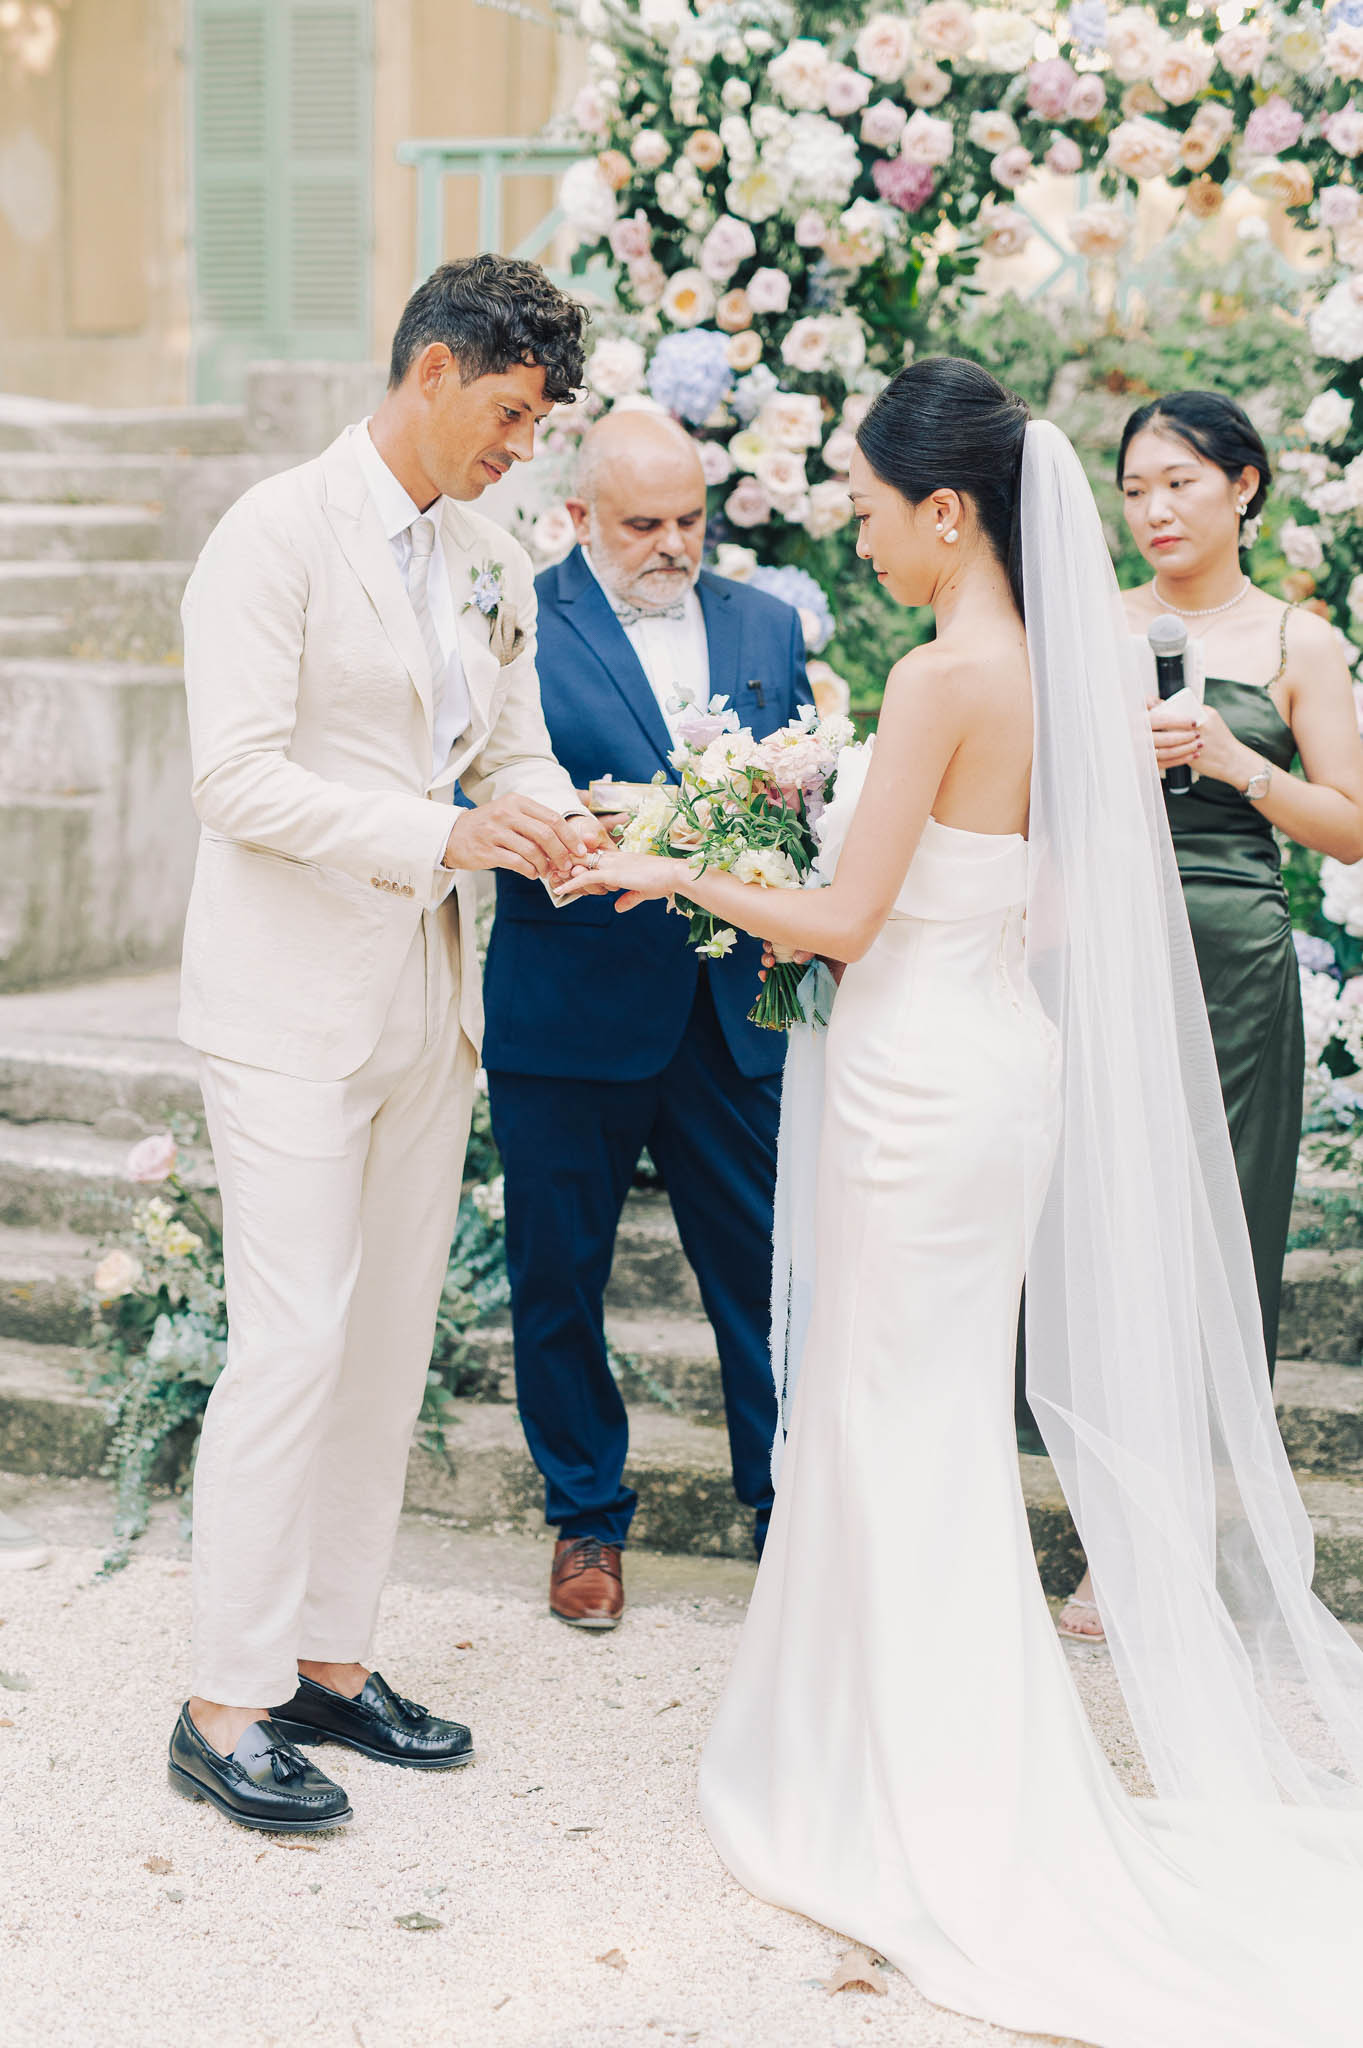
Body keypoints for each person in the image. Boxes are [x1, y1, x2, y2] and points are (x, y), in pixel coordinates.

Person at [562, 359, 1363, 2047]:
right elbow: (1057, 896)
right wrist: (909, 899)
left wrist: (668, 859)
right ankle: (897, 1736)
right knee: (905, 1413)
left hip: (915, 1078)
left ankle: (897, 1772)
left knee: (885, 1411)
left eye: (863, 504)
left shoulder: (942, 675)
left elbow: (841, 925)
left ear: (943, 509)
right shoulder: (1060, 669)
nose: (852, 535)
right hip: (988, 1056)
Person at [167, 256, 605, 1833]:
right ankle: (222, 1700)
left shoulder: (490, 553)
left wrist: (576, 821)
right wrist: (441, 829)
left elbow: (514, 743)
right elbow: (235, 780)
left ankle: (328, 1667)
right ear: (431, 372)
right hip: (287, 1007)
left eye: (537, 423)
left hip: (431, 1002)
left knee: (381, 1347)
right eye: (507, 413)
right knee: (290, 1343)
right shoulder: (271, 533)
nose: (519, 449)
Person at [482, 410, 812, 1628]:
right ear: (578, 517)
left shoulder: (768, 624)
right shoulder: (516, 617)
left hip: (733, 1007)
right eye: (643, 523)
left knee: (770, 1277)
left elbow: (798, 803)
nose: (673, 544)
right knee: (558, 1276)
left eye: (690, 519)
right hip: (567, 1005)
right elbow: (477, 776)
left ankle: (787, 1513)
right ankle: (585, 1521)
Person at [1057, 392, 1363, 1644]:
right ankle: (1104, 1527)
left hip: (1234, 957)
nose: (1155, 510)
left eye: (1179, 482)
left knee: (1216, 1237)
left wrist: (1240, 765)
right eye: (1134, 489)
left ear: (1242, 486)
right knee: (1101, 1222)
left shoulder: (1300, 641)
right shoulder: (1086, 627)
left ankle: (1180, 1526)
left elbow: (1349, 819)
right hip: (1099, 949)